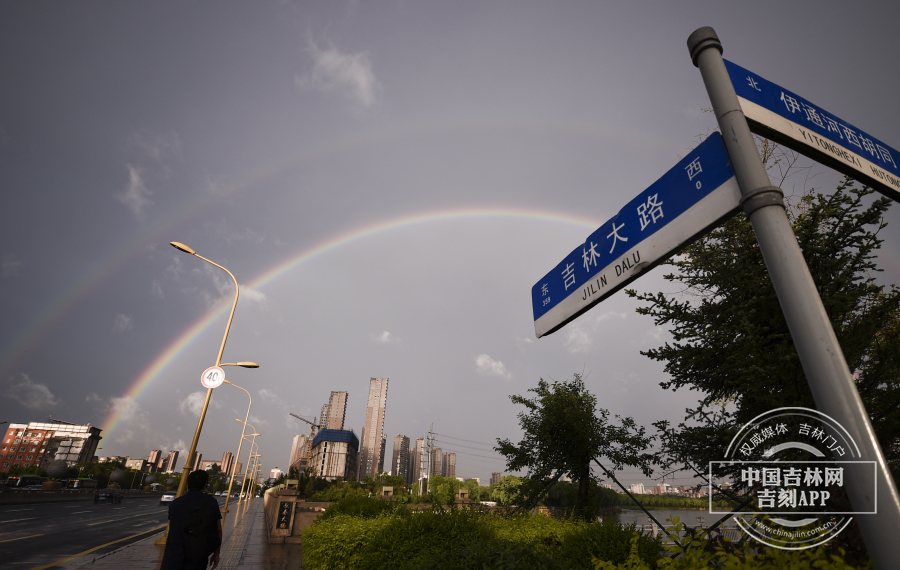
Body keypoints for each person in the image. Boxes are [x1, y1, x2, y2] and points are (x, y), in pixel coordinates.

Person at [160, 470, 223, 570]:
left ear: (188, 485)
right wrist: (216, 554)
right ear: (205, 485)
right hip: (197, 556)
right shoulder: (210, 502)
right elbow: (218, 530)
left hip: (172, 557)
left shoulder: (175, 503)